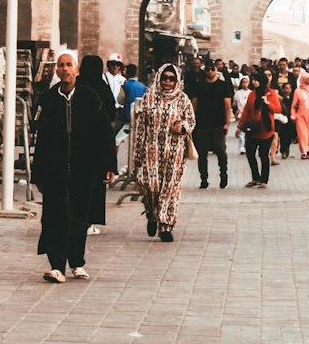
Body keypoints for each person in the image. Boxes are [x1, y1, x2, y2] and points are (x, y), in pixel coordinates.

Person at [32, 52, 117, 282]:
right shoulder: (49, 99)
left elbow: (104, 133)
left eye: (69, 65)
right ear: (56, 71)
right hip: (55, 167)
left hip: (85, 166)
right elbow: (41, 139)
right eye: (61, 65)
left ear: (76, 70)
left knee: (80, 215)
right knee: (54, 215)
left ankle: (76, 261)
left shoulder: (90, 97)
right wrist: (38, 173)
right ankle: (57, 265)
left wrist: (109, 164)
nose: (65, 69)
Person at [131, 63, 196, 242]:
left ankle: (166, 225)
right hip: (151, 152)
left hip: (175, 152)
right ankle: (152, 214)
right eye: (164, 78)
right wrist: (137, 154)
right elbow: (140, 128)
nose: (167, 81)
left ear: (177, 80)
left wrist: (183, 127)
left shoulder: (182, 99)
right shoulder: (149, 98)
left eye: (172, 78)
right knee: (150, 186)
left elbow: (191, 121)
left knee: (170, 189)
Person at [77, 54, 118, 236]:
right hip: (96, 144)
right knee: (93, 184)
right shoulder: (102, 87)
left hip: (75, 142)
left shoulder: (76, 85)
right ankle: (87, 221)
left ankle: (75, 219)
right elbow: (110, 112)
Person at [191, 59, 232, 188]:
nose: (210, 71)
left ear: (216, 69)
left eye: (212, 69)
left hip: (218, 124)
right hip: (202, 124)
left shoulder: (223, 85)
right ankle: (204, 179)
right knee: (202, 154)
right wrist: (192, 121)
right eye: (207, 69)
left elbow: (227, 105)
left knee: (220, 151)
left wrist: (227, 123)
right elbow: (194, 104)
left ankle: (223, 175)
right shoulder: (199, 85)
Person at [237, 72, 282, 188]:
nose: (253, 82)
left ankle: (264, 180)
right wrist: (239, 127)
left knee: (263, 155)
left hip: (266, 130)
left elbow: (278, 109)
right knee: (250, 153)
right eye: (252, 80)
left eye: (255, 80)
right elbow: (247, 111)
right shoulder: (252, 94)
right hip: (253, 129)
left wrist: (268, 104)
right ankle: (255, 177)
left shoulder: (271, 93)